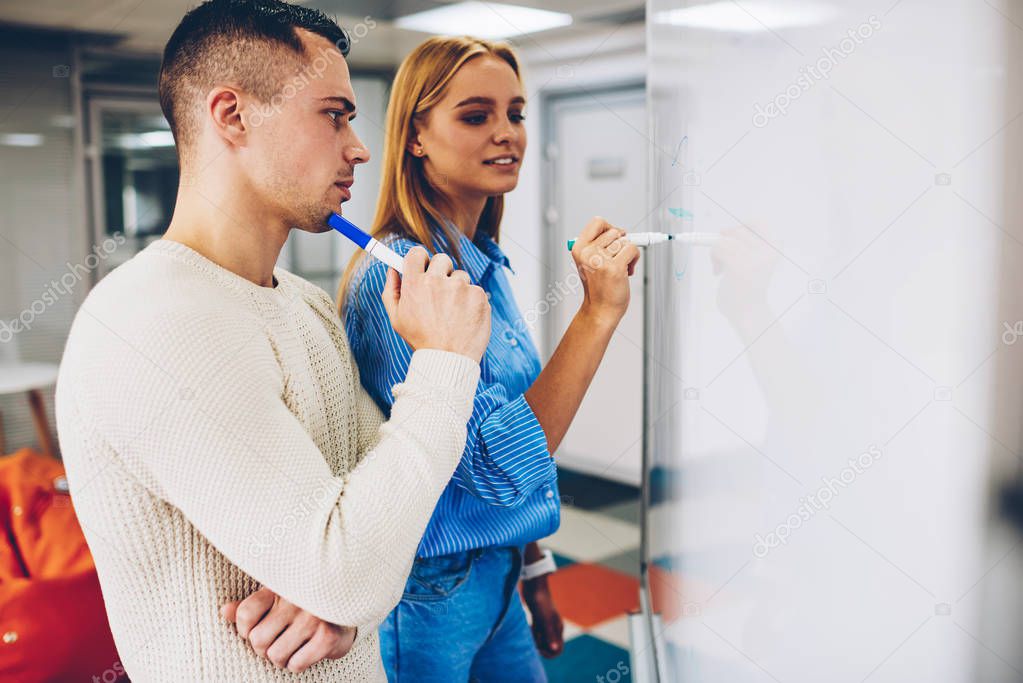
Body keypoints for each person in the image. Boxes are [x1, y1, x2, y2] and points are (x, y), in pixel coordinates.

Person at [54, 1, 492, 680]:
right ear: (231, 115)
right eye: (333, 114)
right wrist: (444, 362)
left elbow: (389, 517)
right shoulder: (149, 320)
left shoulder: (307, 304)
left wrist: (346, 604)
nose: (358, 146)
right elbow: (349, 564)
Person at [350, 36, 640, 679]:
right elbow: (494, 466)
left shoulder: (482, 263)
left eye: (516, 113)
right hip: (428, 594)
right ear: (416, 136)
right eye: (475, 115)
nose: (507, 133)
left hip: (499, 570)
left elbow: (506, 423)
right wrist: (597, 314)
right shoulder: (399, 280)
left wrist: (533, 567)